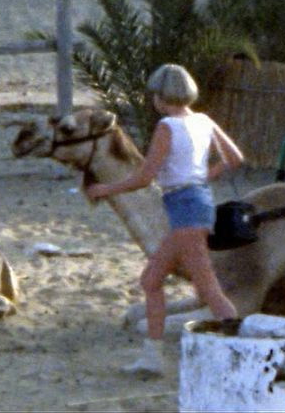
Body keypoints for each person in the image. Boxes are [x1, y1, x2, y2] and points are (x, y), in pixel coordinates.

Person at [85, 63, 244, 377]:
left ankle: (244, 351)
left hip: (185, 208)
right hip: (197, 203)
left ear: (160, 96)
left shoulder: (167, 127)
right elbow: (234, 158)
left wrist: (106, 189)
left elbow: (145, 177)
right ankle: (152, 356)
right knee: (152, 280)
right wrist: (200, 177)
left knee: (209, 290)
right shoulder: (203, 121)